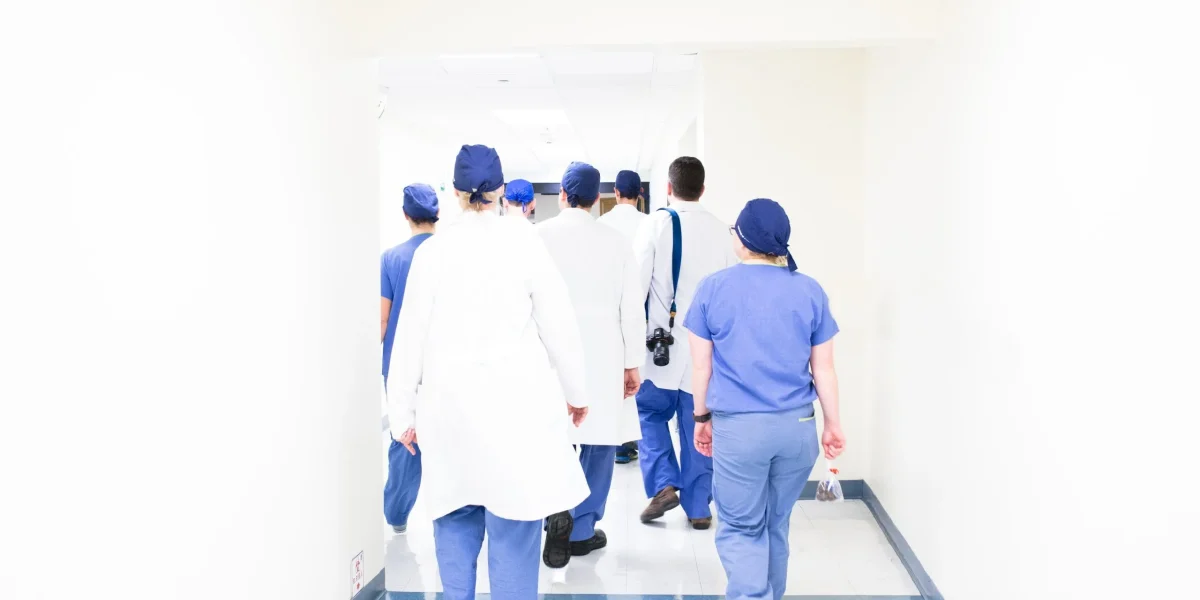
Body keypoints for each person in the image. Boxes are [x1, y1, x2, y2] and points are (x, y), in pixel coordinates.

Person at [386, 144, 592, 600]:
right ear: (500, 189)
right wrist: (577, 393)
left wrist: (401, 415)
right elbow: (558, 323)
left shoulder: (433, 252)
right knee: (515, 526)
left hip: (450, 413)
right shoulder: (524, 240)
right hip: (515, 412)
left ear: (456, 193)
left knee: (454, 526)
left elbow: (409, 339)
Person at [685, 199, 846, 600]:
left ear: (743, 239)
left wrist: (700, 417)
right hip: (798, 430)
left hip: (741, 432)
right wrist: (832, 425)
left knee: (742, 528)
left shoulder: (713, 289)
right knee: (776, 525)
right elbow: (823, 369)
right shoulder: (809, 290)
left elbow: (701, 369)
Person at [536, 162, 644, 567]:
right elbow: (631, 310)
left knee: (551, 435)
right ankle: (581, 530)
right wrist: (632, 363)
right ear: (598, 199)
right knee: (599, 441)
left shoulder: (538, 237)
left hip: (548, 354)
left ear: (563, 195)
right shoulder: (616, 241)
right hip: (603, 353)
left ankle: (553, 509)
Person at [632, 156, 738, 530]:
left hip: (660, 349)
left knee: (649, 415)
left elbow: (636, 285)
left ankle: (664, 484)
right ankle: (698, 507)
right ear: (703, 189)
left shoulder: (657, 224)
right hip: (706, 353)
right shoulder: (724, 232)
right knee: (700, 424)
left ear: (668, 188)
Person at [380, 182, 439, 535]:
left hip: (401, 363)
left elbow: (383, 320)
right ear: (437, 215)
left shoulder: (391, 258)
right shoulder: (450, 253)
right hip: (442, 361)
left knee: (406, 436)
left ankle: (398, 515)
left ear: (405, 215)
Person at [598, 169, 647, 465]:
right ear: (639, 192)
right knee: (639, 377)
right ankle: (635, 442)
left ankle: (618, 444)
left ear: (615, 192)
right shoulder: (651, 223)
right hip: (641, 310)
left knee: (613, 377)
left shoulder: (602, 224)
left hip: (608, 312)